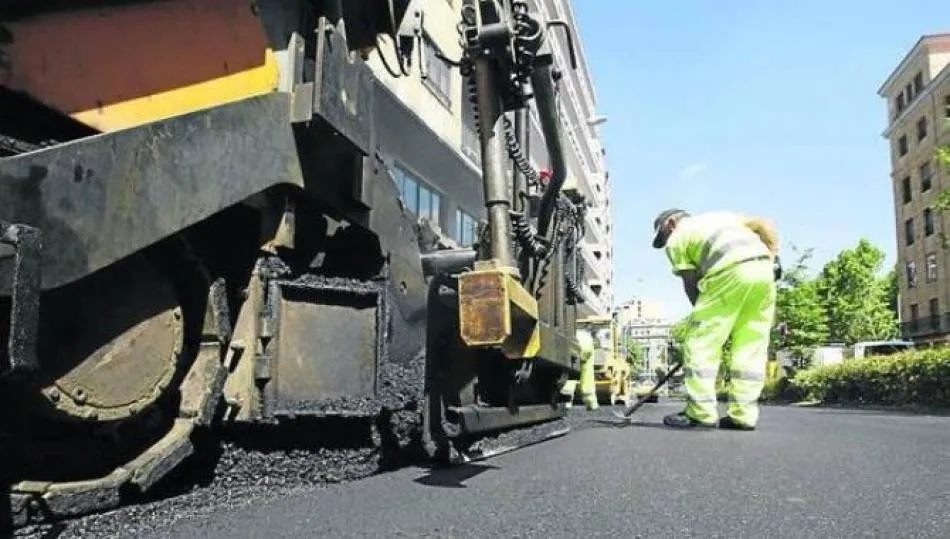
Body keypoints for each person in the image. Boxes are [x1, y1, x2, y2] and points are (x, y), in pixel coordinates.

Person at [651, 208, 779, 431]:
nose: (666, 241)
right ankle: (743, 416)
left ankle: (701, 414)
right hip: (765, 271)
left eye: (663, 234)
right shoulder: (724, 217)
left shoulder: (678, 237)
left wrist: (705, 321)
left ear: (671, 223)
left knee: (700, 343)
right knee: (750, 344)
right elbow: (765, 226)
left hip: (729, 272)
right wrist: (773, 256)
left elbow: (690, 283)